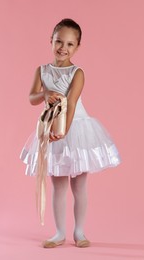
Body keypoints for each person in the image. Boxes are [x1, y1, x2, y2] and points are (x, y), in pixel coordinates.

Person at [20, 18, 121, 248]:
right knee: (58, 185)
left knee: (79, 184)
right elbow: (31, 98)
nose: (63, 48)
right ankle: (58, 232)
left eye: (70, 44)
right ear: (51, 40)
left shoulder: (77, 73)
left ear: (77, 47)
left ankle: (80, 232)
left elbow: (72, 103)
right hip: (52, 130)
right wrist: (44, 95)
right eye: (58, 41)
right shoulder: (42, 71)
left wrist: (65, 130)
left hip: (76, 130)